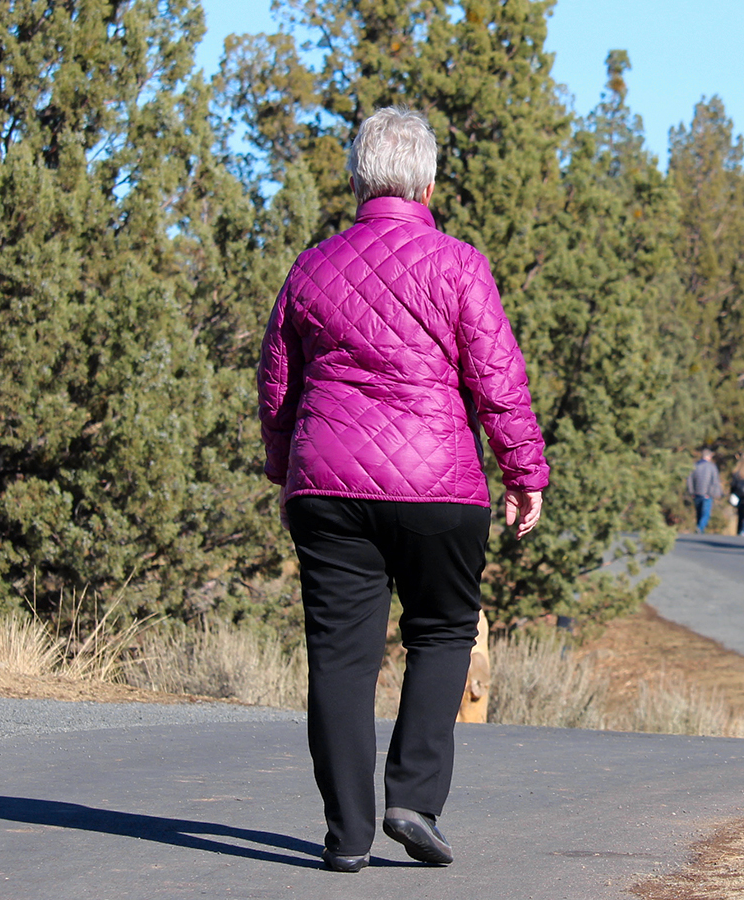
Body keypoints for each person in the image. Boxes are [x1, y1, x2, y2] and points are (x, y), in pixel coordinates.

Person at [256, 107, 548, 874]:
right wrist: (523, 472)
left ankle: (347, 834)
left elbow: (277, 383)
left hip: (327, 484)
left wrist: (282, 461)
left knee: (340, 658)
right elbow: (499, 381)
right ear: (427, 180)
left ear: (358, 178)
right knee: (444, 631)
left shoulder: (311, 267)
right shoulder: (458, 264)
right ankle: (413, 799)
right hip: (437, 484)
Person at [686, 449, 721, 534]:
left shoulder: (695, 465)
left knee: (699, 512)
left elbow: (689, 480)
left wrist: (691, 491)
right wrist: (713, 493)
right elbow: (715, 481)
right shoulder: (711, 467)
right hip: (707, 494)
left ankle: (699, 528)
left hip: (696, 493)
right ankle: (700, 527)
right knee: (705, 513)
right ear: (709, 456)